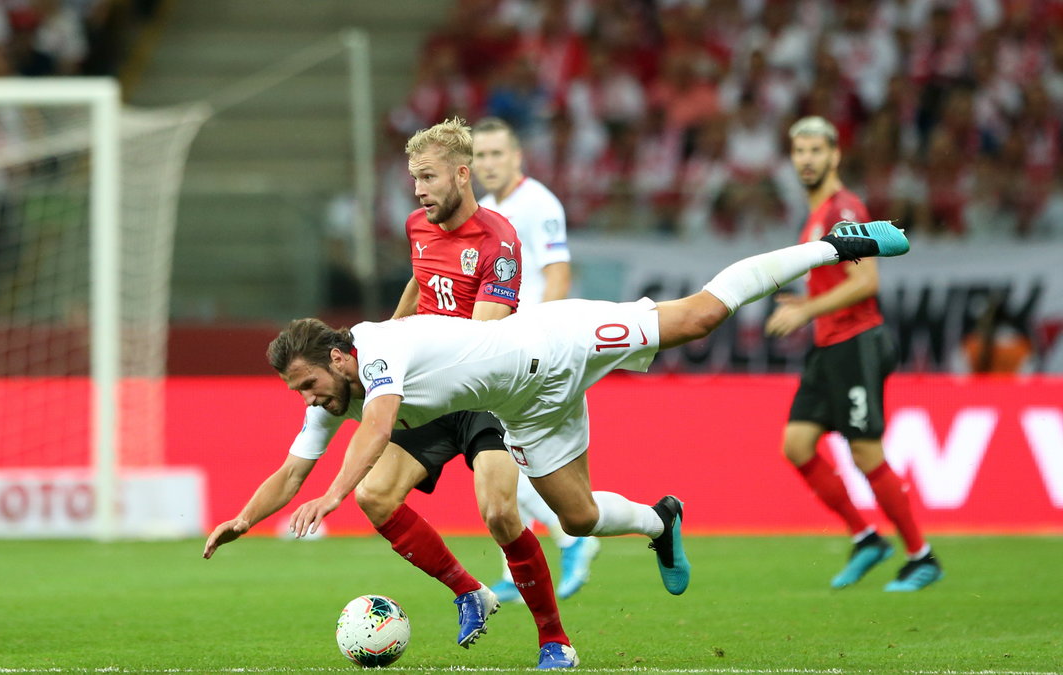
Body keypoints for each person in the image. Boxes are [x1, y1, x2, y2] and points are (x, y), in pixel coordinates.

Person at [258, 221, 908, 662]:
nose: (309, 399)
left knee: (701, 314)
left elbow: (377, 426)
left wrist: (338, 493)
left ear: (339, 357)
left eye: (308, 384)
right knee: (581, 515)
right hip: (529, 409)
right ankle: (661, 521)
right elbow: (290, 472)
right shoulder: (332, 392)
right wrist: (238, 521)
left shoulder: (376, 349)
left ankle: (836, 245)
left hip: (559, 340)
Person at [206, 118, 579, 670]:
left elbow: (482, 342)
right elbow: (421, 280)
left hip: (479, 390)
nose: (419, 190)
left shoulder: (499, 239)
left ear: (460, 173)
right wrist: (389, 337)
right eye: (413, 179)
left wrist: (398, 354)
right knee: (375, 496)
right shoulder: (416, 227)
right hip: (422, 385)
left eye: (427, 177)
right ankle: (468, 591)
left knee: (499, 512)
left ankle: (555, 641)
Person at [764, 116, 943, 592]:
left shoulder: (842, 212)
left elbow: (866, 282)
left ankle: (921, 555)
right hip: (829, 346)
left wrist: (806, 310)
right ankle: (866, 538)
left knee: (865, 452)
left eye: (815, 151)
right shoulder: (818, 213)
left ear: (834, 155)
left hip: (857, 342)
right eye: (799, 151)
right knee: (797, 445)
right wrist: (808, 309)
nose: (806, 159)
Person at [472, 116, 599, 603]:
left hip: (534, 350)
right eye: (480, 156)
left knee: (512, 454)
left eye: (496, 154)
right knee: (497, 456)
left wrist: (544, 337)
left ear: (517, 156)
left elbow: (558, 275)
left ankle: (572, 541)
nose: (488, 164)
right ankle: (519, 562)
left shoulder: (539, 203)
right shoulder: (482, 208)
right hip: (497, 350)